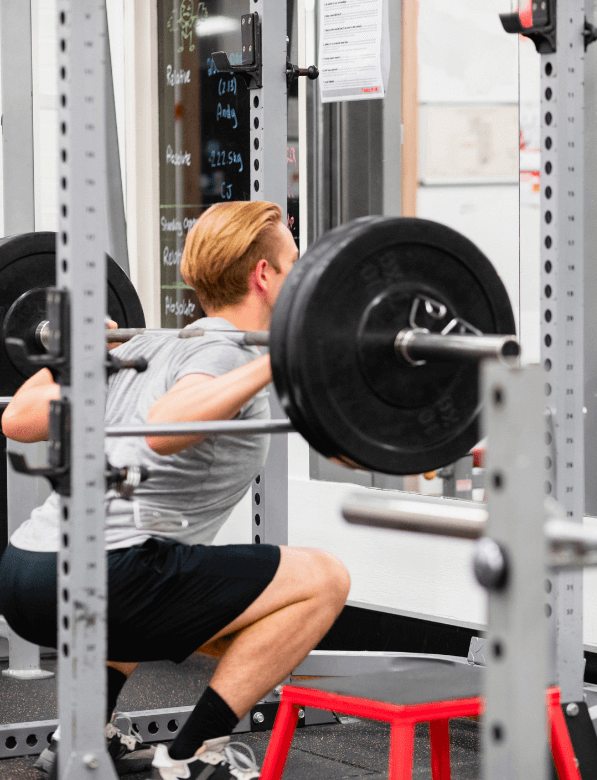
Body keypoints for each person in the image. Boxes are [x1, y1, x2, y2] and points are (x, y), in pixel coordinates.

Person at [0, 201, 350, 779]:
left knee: (166, 565)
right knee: (322, 579)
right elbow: (166, 424)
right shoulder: (227, 350)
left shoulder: (145, 345)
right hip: (104, 574)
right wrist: (281, 355)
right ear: (264, 276)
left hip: (26, 573)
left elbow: (16, 419)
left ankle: (82, 737)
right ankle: (195, 755)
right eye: (294, 263)